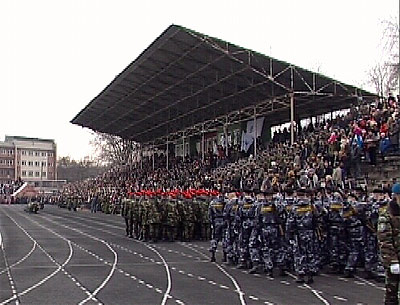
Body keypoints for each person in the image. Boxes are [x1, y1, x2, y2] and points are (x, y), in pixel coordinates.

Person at [378, 183, 400, 305]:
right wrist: (393, 262)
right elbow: (385, 241)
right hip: (394, 260)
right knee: (392, 295)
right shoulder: (387, 215)